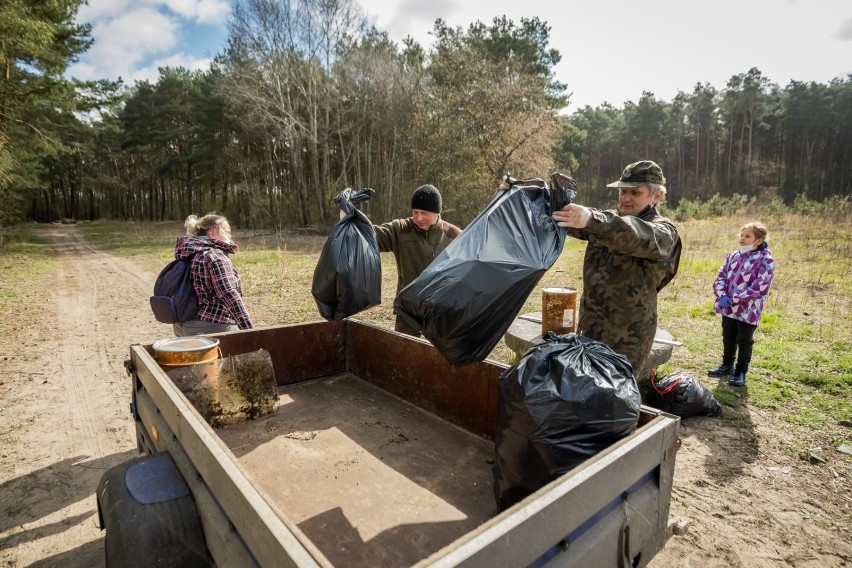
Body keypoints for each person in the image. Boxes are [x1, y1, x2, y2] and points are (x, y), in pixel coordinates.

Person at [552, 160, 681, 387]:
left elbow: (634, 234)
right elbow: (562, 218)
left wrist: (592, 220)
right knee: (583, 388)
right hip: (590, 326)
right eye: (623, 191)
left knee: (614, 397)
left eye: (635, 192)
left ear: (656, 197)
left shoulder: (663, 231)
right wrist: (526, 195)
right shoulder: (607, 220)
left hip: (627, 337)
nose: (625, 198)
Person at [373, 184, 462, 336]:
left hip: (440, 311)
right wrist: (350, 217)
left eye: (424, 213)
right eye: (415, 212)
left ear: (437, 212)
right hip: (408, 309)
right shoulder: (400, 229)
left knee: (436, 357)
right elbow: (369, 236)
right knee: (403, 353)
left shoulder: (454, 235)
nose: (418, 218)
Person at [708, 221, 775, 386]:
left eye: (748, 236)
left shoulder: (765, 259)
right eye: (742, 235)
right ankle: (726, 365)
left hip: (748, 309)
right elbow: (721, 275)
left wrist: (736, 297)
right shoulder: (733, 255)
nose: (742, 238)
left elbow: (761, 286)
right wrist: (721, 294)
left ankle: (740, 371)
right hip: (728, 307)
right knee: (728, 336)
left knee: (744, 340)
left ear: (758, 240)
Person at [172, 213, 254, 337]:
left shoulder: (188, 253)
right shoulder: (215, 256)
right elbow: (229, 294)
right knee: (245, 346)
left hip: (182, 323)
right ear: (212, 233)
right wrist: (251, 331)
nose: (229, 235)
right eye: (226, 231)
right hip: (210, 324)